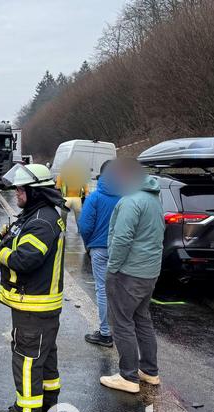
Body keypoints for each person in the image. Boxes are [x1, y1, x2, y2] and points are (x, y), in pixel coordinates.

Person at [0, 163, 66, 412]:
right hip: (36, 304)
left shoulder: (41, 222)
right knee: (44, 356)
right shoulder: (35, 215)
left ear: (36, 192)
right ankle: (48, 403)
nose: (16, 193)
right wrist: (2, 235)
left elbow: (23, 260)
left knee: (27, 358)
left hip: (34, 305)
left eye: (20, 189)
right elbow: (19, 236)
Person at [99, 159, 164, 394]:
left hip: (128, 273)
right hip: (148, 273)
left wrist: (112, 268)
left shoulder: (131, 201)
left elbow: (122, 239)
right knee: (142, 320)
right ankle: (149, 371)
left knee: (122, 322)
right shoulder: (153, 198)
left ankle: (128, 376)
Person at [78, 160, 120, 347]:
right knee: (119, 291)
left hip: (100, 249)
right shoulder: (126, 196)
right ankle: (121, 331)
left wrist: (89, 244)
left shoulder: (95, 197)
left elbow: (85, 225)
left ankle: (105, 333)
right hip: (121, 250)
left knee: (102, 290)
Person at [56, 159, 90, 226]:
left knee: (64, 216)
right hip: (76, 199)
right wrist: (86, 193)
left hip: (66, 198)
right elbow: (85, 185)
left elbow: (58, 187)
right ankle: (80, 230)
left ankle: (64, 230)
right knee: (78, 217)